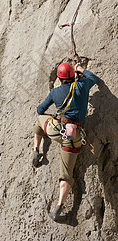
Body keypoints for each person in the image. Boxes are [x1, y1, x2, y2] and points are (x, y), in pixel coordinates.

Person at [32, 62, 98, 221]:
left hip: (57, 130)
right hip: (74, 137)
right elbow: (94, 78)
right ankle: (59, 207)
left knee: (40, 120)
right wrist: (80, 69)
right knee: (66, 174)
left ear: (60, 79)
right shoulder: (82, 86)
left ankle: (36, 150)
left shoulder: (55, 92)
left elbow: (40, 110)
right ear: (73, 76)